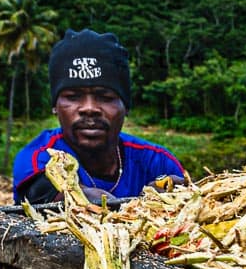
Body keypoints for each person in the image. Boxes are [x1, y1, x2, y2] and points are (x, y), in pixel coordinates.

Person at [12, 29, 185, 204]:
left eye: (105, 97)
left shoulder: (159, 163)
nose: (89, 108)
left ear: (126, 106)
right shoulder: (37, 158)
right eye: (73, 96)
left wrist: (171, 201)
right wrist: (141, 205)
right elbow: (44, 194)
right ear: (55, 106)